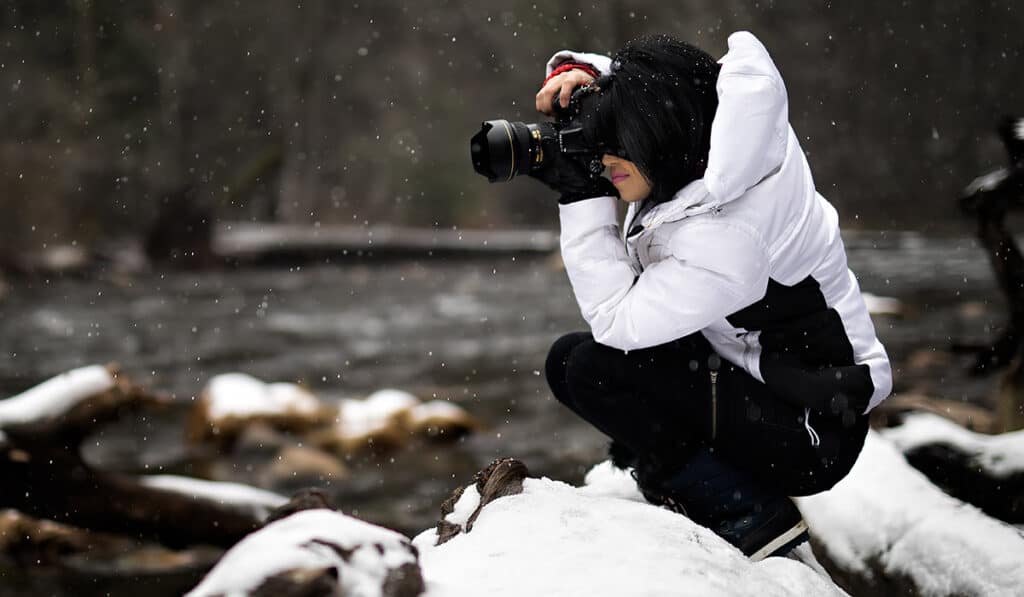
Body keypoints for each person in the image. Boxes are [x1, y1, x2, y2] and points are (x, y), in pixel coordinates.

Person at [531, 32, 892, 560]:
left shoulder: (729, 235)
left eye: (615, 142)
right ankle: (698, 478)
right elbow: (673, 85)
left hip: (811, 432)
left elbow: (615, 319)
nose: (602, 157)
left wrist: (582, 198)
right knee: (569, 361)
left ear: (658, 137)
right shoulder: (721, 141)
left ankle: (746, 512)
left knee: (593, 367)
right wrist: (588, 77)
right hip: (773, 385)